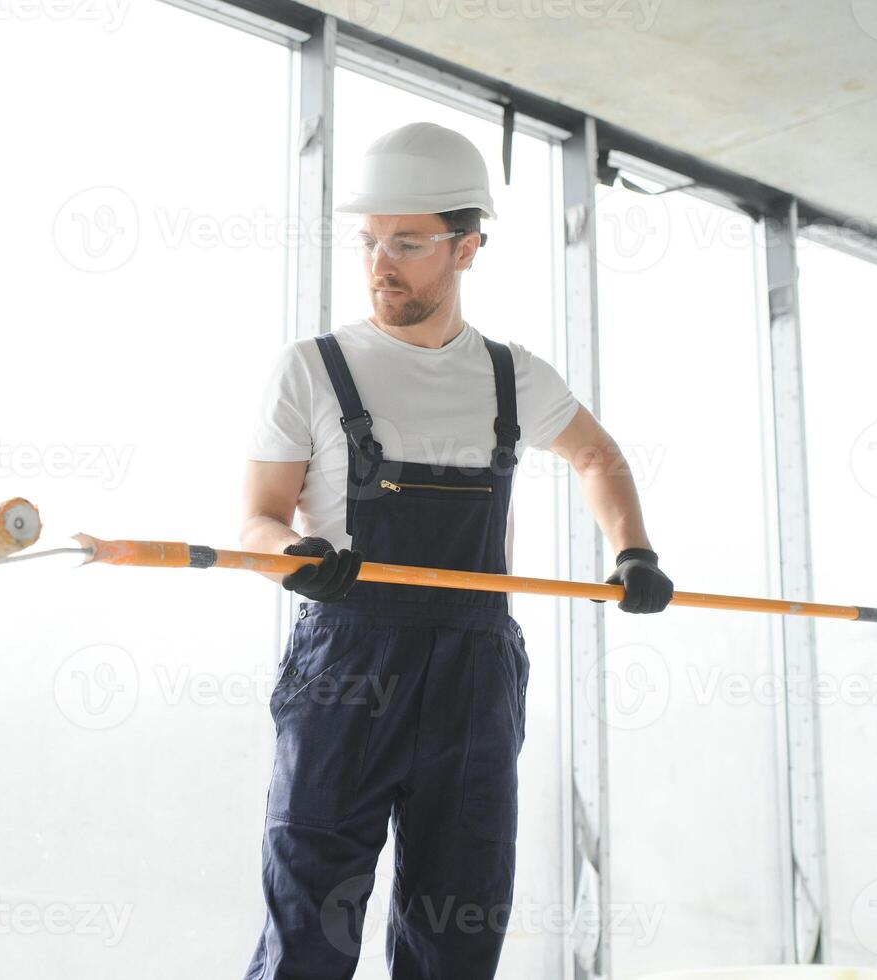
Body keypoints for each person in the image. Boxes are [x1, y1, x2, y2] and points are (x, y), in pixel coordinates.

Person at [239, 121, 673, 980]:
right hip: (345, 669)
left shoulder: (513, 377)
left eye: (406, 242)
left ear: (466, 246)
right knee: (306, 932)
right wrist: (298, 553)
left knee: (457, 932)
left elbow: (597, 455)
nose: (379, 263)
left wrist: (632, 552)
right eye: (368, 241)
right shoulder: (312, 369)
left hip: (475, 674)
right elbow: (254, 524)